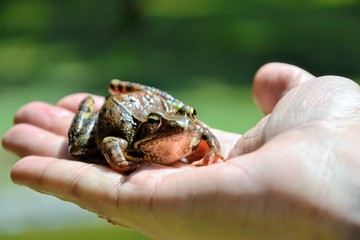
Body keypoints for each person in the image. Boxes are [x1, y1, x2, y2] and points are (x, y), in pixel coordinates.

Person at [2, 63, 360, 239]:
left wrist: (212, 150)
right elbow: (111, 143)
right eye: (163, 122)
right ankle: (87, 109)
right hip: (117, 118)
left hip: (144, 106)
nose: (184, 126)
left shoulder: (189, 129)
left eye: (187, 116)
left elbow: (201, 131)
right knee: (80, 149)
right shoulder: (131, 138)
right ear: (152, 126)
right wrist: (123, 161)